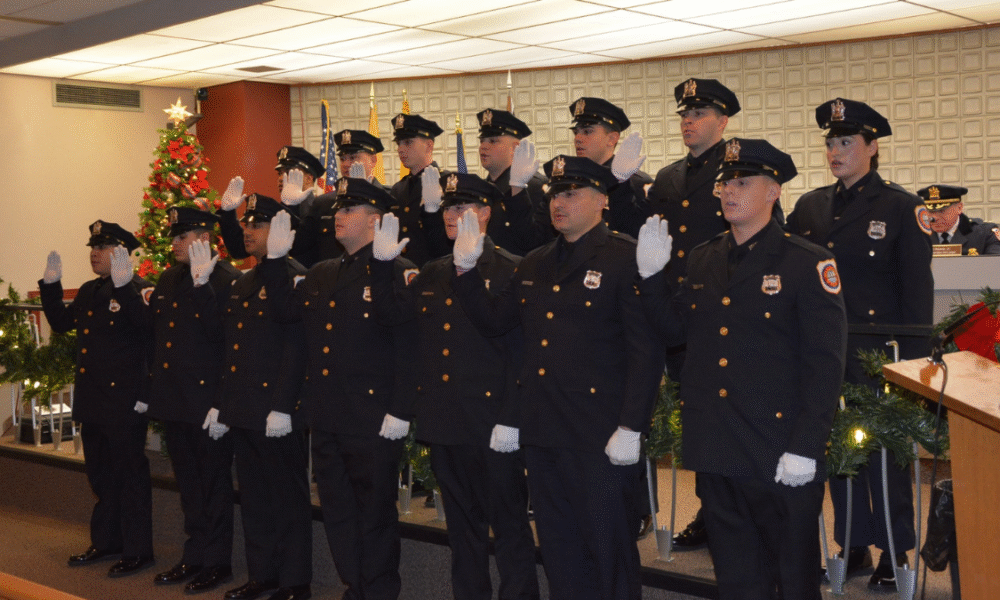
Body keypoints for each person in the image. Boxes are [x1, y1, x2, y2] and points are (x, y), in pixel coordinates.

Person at [636, 138, 848, 600]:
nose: (729, 191)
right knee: (735, 578)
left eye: (742, 182)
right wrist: (651, 278)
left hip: (779, 446)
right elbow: (674, 331)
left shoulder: (806, 262)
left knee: (793, 579)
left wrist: (806, 446)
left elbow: (825, 365)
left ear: (773, 191)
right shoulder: (704, 257)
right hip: (717, 443)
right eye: (725, 183)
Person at [451, 155, 663, 600]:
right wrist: (466, 272)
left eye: (571, 193)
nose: (558, 203)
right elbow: (495, 323)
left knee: (608, 550)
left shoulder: (624, 257)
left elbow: (646, 352)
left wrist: (632, 426)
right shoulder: (535, 262)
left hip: (600, 433)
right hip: (544, 430)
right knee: (560, 549)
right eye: (553, 194)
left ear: (602, 200)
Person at [785, 98, 934, 589]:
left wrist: (912, 372)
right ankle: (852, 544)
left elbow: (917, 294)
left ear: (872, 147)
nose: (835, 151)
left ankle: (894, 549)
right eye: (830, 142)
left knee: (884, 456)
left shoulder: (901, 207)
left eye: (846, 142)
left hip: (879, 356)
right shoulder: (809, 207)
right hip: (822, 353)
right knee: (836, 450)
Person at [370, 172, 540, 600]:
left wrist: (511, 418)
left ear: (485, 213)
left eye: (461, 207)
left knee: (509, 526)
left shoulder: (512, 269)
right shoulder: (433, 271)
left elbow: (522, 355)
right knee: (462, 528)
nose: (451, 214)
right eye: (448, 207)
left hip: (492, 422)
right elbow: (393, 319)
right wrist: (381, 266)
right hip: (446, 420)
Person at [262, 178, 416, 600]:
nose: (338, 217)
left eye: (349, 210)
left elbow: (408, 347)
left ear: (375, 221)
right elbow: (286, 314)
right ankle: (355, 586)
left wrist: (401, 409)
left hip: (372, 417)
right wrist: (275, 261)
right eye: (338, 210)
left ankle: (379, 592)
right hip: (328, 414)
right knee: (338, 512)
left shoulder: (397, 270)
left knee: (374, 513)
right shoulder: (322, 272)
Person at [113, 207, 241, 592]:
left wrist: (223, 403)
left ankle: (217, 562)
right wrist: (125, 288)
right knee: (189, 485)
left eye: (182, 237)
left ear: (205, 237)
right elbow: (154, 332)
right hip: (174, 400)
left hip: (207, 403)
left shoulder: (226, 278)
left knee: (213, 487)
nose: (175, 244)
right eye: (174, 237)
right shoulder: (170, 278)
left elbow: (228, 343)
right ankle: (195, 555)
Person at [646, 77, 744, 549]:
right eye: (685, 115)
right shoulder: (667, 178)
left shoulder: (742, 172)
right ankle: (709, 510)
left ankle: (732, 513)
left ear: (722, 122)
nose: (689, 121)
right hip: (677, 316)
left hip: (723, 318)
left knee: (728, 419)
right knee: (697, 422)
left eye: (699, 114)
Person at [38, 220, 155, 577]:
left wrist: (125, 288)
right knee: (102, 476)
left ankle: (137, 550)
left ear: (121, 253)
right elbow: (62, 323)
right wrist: (51, 286)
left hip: (124, 401)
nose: (94, 253)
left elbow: (149, 333)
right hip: (93, 399)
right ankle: (107, 542)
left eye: (102, 248)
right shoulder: (90, 290)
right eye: (93, 247)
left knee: (130, 477)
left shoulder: (140, 290)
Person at [210, 194, 312, 600]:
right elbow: (232, 349)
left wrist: (284, 406)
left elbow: (297, 349)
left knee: (287, 499)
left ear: (280, 230)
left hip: (276, 411)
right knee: (254, 499)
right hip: (245, 408)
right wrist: (224, 404)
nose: (247, 231)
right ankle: (262, 575)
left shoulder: (294, 278)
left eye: (257, 225)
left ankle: (294, 582)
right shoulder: (245, 280)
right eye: (246, 225)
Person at [217, 145, 325, 266]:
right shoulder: (275, 210)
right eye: (280, 173)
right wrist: (228, 214)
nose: (281, 178)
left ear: (309, 179)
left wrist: (291, 206)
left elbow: (296, 246)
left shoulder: (319, 210)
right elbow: (239, 250)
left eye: (288, 173)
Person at [296, 129, 388, 264]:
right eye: (342, 159)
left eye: (353, 157)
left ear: (373, 160)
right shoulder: (324, 203)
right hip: (334, 275)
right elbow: (300, 247)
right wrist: (291, 206)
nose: (345, 164)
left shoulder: (389, 199)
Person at [568, 97, 651, 238]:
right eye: (576, 132)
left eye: (587, 131)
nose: (578, 139)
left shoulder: (636, 182)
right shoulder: (571, 182)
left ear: (612, 139)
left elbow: (636, 235)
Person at [476, 108, 553, 254]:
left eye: (493, 141)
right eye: (482, 141)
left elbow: (536, 243)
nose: (483, 147)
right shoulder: (480, 189)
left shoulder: (534, 186)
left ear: (515, 148)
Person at [389, 113, 448, 266]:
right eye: (399, 143)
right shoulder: (398, 189)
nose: (401, 149)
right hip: (402, 271)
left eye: (408, 142)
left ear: (429, 145)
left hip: (434, 269)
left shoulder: (447, 183)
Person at [918, 184, 1000, 255]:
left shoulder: (985, 234)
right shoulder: (919, 235)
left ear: (959, 208)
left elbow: (995, 264)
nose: (934, 217)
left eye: (941, 211)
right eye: (930, 211)